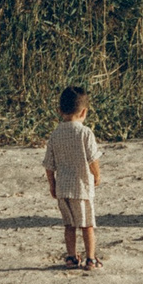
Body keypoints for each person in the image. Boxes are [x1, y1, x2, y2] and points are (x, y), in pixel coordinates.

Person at [43, 85, 104, 269]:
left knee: (69, 225)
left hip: (63, 187)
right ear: (84, 111)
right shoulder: (85, 133)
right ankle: (91, 259)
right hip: (82, 187)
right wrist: (97, 175)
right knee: (87, 225)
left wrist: (52, 185)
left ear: (59, 111)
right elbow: (93, 159)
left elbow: (49, 164)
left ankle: (71, 257)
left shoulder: (55, 135)